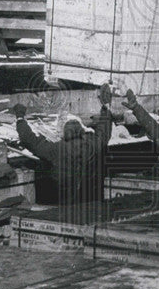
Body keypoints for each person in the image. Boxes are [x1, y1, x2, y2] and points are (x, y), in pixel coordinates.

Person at [13, 83, 113, 223]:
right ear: (82, 132)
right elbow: (104, 131)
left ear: (64, 134)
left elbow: (29, 140)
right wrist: (106, 107)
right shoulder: (91, 144)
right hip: (89, 203)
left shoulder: (57, 149)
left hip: (63, 204)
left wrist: (20, 117)